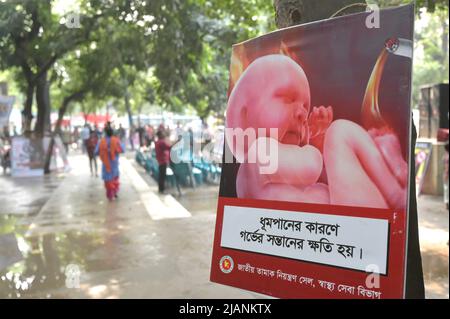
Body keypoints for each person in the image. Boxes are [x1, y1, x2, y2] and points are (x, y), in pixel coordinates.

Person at [95, 123, 124, 200]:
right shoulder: (116, 141)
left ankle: (110, 195)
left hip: (106, 165)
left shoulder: (101, 142)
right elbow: (122, 150)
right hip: (114, 164)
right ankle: (114, 192)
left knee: (108, 181)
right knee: (115, 179)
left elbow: (96, 152)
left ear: (105, 133)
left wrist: (104, 152)